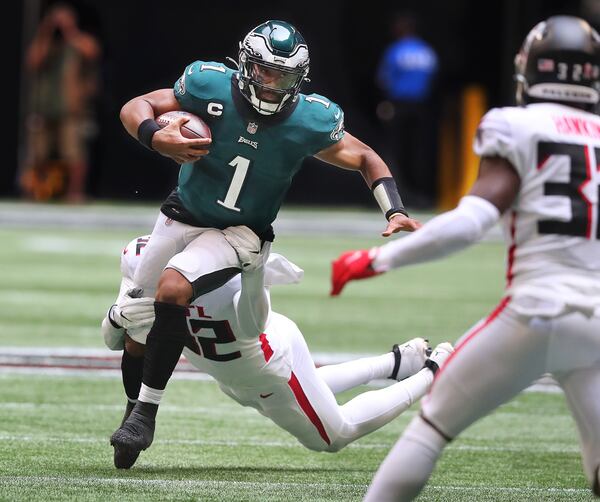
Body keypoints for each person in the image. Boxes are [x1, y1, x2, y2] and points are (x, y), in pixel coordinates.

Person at [112, 19, 422, 459]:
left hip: (241, 233)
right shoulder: (209, 85)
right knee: (129, 328)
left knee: (174, 288)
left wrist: (394, 208)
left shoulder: (310, 119)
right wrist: (154, 135)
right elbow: (137, 105)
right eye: (264, 70)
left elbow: (365, 157)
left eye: (284, 75)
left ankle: (146, 414)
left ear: (300, 79)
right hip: (183, 213)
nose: (272, 83)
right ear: (246, 64)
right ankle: (132, 407)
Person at [331, 15, 600, 500]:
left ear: (532, 69)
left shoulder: (515, 125)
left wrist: (376, 259)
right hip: (597, 323)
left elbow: (471, 222)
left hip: (535, 312)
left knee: (430, 429)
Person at [103, 231, 453, 469]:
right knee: (313, 388)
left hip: (271, 368)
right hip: (239, 377)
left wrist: (255, 275)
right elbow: (119, 340)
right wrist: (116, 316)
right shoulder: (144, 266)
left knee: (334, 436)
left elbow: (252, 326)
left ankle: (434, 371)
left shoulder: (228, 276)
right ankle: (397, 362)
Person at [21, 2, 101, 202]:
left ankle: (74, 193)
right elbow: (32, 61)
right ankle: (35, 192)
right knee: (37, 151)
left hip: (70, 107)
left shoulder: (78, 41)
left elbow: (92, 52)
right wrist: (47, 31)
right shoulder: (46, 43)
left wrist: (69, 30)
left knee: (73, 152)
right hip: (44, 105)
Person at [375, 12, 438, 208]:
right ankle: (422, 194)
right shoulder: (427, 52)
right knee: (421, 150)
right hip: (422, 106)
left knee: (397, 150)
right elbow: (434, 78)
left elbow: (384, 79)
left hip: (399, 105)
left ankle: (399, 194)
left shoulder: (396, 50)